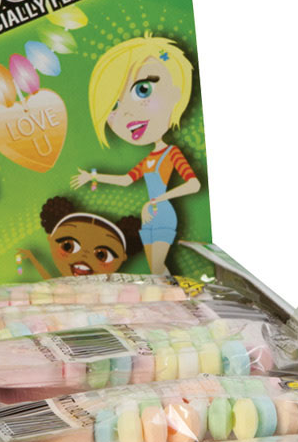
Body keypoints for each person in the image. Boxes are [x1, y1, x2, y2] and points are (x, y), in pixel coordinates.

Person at [71, 35, 202, 275]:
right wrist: (92, 177)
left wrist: (158, 200)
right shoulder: (149, 159)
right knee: (156, 270)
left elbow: (193, 184)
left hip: (162, 214)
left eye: (143, 89)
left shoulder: (171, 153)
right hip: (149, 215)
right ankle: (175, 296)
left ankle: (179, 296)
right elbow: (125, 179)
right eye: (114, 106)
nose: (127, 115)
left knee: (157, 268)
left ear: (176, 93)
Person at [16, 196, 141, 278]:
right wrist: (33, 259)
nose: (84, 256)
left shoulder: (107, 291)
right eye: (68, 246)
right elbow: (49, 281)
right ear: (50, 238)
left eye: (101, 255)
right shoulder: (62, 286)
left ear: (123, 257)